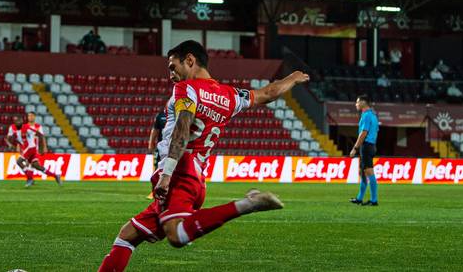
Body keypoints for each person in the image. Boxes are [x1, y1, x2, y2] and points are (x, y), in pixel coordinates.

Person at [96, 40, 310, 271]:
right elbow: (267, 93)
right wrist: (293, 78)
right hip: (196, 177)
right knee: (127, 235)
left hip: (180, 170)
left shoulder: (187, 89)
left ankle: (248, 204)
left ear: (190, 60)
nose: (170, 74)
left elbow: (182, 127)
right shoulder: (229, 95)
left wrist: (166, 174)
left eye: (172, 67)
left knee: (176, 235)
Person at [349, 94, 379, 206]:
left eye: (357, 102)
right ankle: (359, 198)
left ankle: (374, 200)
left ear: (363, 102)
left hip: (366, 146)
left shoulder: (366, 116)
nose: (356, 104)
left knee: (369, 172)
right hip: (370, 145)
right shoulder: (373, 115)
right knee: (363, 172)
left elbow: (364, 133)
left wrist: (355, 148)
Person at [21, 112, 62, 187]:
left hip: (34, 149)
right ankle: (55, 176)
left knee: (31, 165)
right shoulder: (25, 126)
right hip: (27, 149)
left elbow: (42, 137)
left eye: (32, 116)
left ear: (34, 117)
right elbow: (23, 138)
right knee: (36, 165)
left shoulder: (38, 126)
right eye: (29, 116)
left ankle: (30, 180)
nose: (30, 117)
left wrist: (44, 147)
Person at [145, 111, 165, 200]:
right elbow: (155, 130)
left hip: (173, 147)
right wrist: (151, 143)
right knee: (157, 169)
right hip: (161, 147)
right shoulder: (161, 115)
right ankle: (154, 191)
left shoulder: (178, 113)